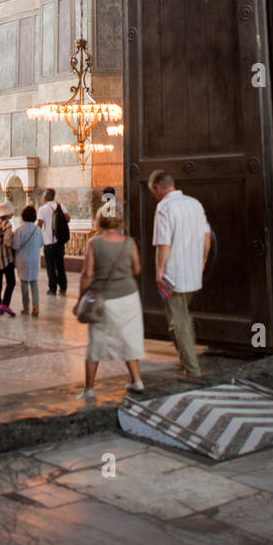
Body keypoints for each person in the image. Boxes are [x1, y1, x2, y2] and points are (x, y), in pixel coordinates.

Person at [75, 200, 144, 402]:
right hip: (129, 296)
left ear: (100, 221)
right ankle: (137, 379)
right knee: (128, 337)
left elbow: (87, 274)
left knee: (96, 341)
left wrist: (80, 298)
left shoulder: (94, 243)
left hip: (104, 299)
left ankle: (89, 389)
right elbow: (137, 269)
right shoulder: (129, 242)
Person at [149, 170, 211, 382]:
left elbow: (163, 243)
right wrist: (202, 261)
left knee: (179, 322)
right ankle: (186, 361)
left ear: (158, 187)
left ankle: (192, 370)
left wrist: (159, 271)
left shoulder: (164, 207)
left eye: (153, 190)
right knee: (180, 319)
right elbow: (207, 237)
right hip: (193, 274)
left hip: (172, 276)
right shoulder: (195, 204)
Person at [38, 188, 69, 296]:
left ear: (46, 197)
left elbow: (39, 225)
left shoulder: (42, 209)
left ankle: (52, 288)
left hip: (49, 242)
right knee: (60, 264)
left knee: (50, 266)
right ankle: (63, 286)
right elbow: (68, 219)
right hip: (59, 241)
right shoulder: (61, 206)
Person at [13, 204, 43, 317]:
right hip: (35, 259)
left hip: (22, 259)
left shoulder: (20, 230)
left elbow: (15, 245)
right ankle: (36, 307)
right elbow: (41, 244)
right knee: (34, 283)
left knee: (24, 283)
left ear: (23, 216)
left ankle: (26, 307)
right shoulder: (38, 230)